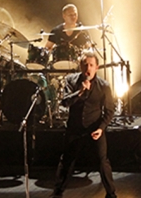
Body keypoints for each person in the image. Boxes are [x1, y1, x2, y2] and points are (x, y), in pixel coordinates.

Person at [53, 49, 116, 198]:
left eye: (91, 65)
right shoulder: (71, 80)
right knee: (67, 160)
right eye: (85, 64)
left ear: (97, 67)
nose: (88, 68)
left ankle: (111, 194)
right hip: (74, 128)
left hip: (94, 128)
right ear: (80, 66)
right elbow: (65, 102)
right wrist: (80, 92)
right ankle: (57, 192)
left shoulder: (103, 86)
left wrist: (101, 128)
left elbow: (110, 110)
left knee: (102, 161)